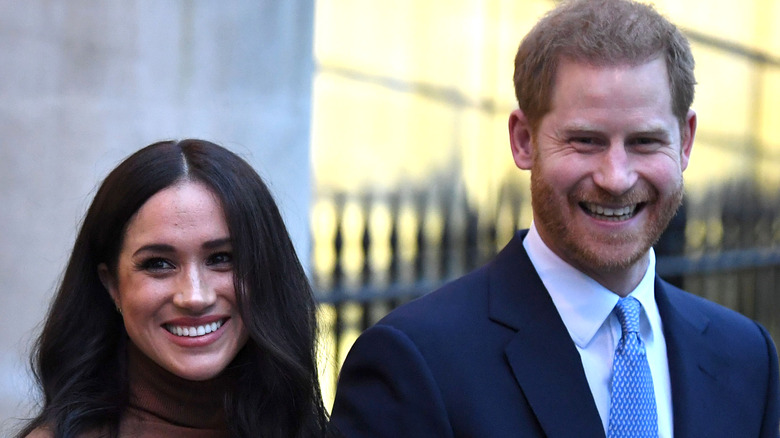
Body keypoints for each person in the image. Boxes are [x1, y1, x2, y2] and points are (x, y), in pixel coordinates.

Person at [329, 0, 780, 437]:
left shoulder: (746, 358)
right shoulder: (416, 364)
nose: (616, 178)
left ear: (685, 142)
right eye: (585, 141)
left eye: (644, 141)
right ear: (524, 141)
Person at [16, 139, 330, 438]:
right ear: (111, 284)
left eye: (222, 258)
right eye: (158, 264)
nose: (195, 297)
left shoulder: (305, 427)